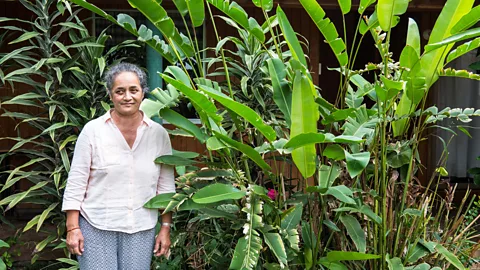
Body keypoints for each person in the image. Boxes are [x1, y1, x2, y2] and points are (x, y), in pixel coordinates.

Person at [62, 62, 175, 269]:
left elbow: (166, 187)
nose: (127, 97)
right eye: (120, 91)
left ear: (143, 93)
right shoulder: (93, 131)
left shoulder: (158, 134)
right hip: (96, 226)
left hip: (141, 227)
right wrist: (72, 228)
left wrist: (165, 227)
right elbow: (76, 182)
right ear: (110, 94)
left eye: (134, 90)